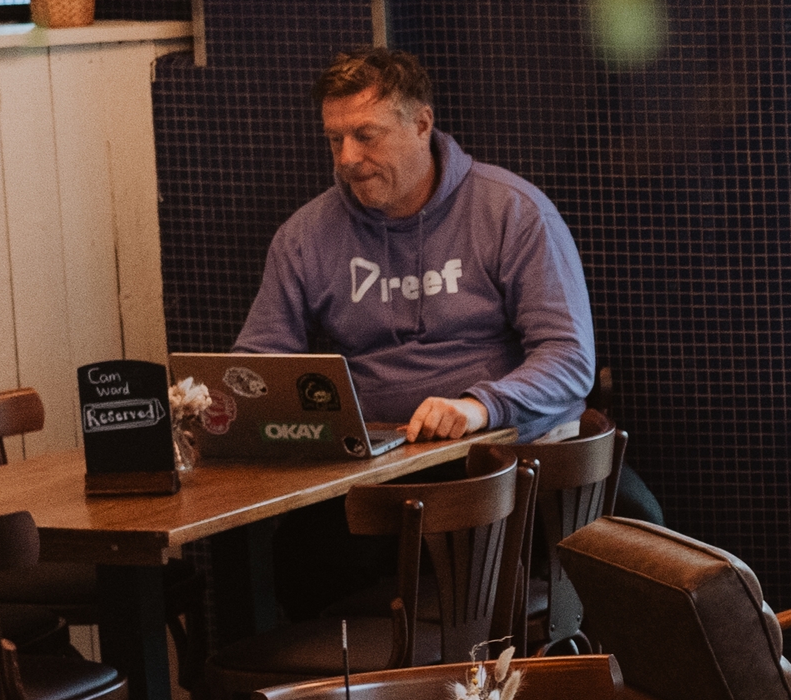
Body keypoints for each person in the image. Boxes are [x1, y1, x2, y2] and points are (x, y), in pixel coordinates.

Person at [235, 45, 598, 610]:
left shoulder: (513, 211)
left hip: (507, 463)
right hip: (376, 475)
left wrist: (479, 406)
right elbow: (259, 367)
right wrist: (227, 404)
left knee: (616, 536)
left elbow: (570, 359)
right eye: (335, 139)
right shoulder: (304, 236)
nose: (348, 158)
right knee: (294, 560)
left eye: (366, 135)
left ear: (423, 123)